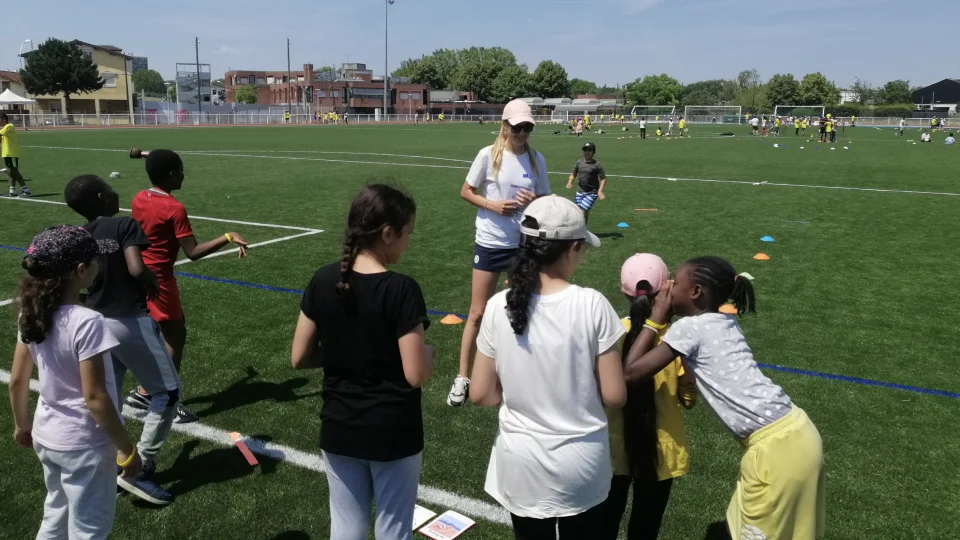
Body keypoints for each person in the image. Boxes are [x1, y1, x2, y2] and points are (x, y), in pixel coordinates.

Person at [623, 256, 825, 540]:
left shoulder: (690, 328)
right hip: (797, 434)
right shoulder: (724, 321)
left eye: (675, 283)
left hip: (776, 450)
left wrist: (655, 320)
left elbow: (630, 373)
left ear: (696, 292)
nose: (668, 288)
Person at [470, 195, 627, 539]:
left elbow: (481, 393)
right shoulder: (592, 304)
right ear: (571, 248)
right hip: (581, 464)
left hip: (520, 463)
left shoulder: (499, 305)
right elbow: (615, 395)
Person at [292, 185, 432, 540]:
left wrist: (344, 351)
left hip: (339, 427)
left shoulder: (324, 279)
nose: (409, 242)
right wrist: (428, 356)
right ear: (387, 233)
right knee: (393, 529)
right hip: (392, 432)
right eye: (408, 233)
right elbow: (415, 374)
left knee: (346, 529)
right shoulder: (401, 289)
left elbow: (300, 357)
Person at [9, 225, 142, 539]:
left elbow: (17, 381)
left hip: (46, 435)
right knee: (89, 528)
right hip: (85, 444)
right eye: (95, 262)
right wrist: (126, 448)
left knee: (55, 514)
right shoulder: (87, 321)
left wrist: (21, 425)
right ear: (82, 270)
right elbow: (95, 397)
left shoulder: (31, 312)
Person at [64, 175, 180, 505]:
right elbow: (135, 268)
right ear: (102, 195)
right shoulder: (124, 224)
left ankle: (112, 465)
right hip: (129, 319)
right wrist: (152, 282)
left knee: (109, 395)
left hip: (95, 321)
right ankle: (141, 469)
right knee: (168, 393)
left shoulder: (80, 235)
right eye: (111, 188)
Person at [128, 150, 249, 423]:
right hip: (160, 280)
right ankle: (166, 398)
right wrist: (228, 236)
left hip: (138, 275)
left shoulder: (139, 198)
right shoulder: (174, 208)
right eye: (181, 170)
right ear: (171, 174)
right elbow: (192, 252)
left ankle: (147, 390)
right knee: (175, 336)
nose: (184, 174)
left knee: (157, 334)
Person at [448, 99, 551, 408]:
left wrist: (534, 199)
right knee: (477, 312)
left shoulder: (536, 160)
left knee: (522, 307)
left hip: (522, 244)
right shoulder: (487, 155)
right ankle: (463, 376)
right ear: (504, 125)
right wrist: (492, 205)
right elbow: (466, 191)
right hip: (491, 242)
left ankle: (518, 373)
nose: (522, 132)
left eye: (527, 127)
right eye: (517, 127)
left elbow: (545, 199)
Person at [602, 254, 695, 540]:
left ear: (624, 292)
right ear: (665, 290)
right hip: (661, 450)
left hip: (612, 446)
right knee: (645, 528)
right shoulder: (676, 340)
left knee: (603, 523)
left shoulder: (612, 334)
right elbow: (689, 399)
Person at [566, 142, 607, 223]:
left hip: (592, 192)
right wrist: (570, 182)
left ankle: (583, 230)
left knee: (584, 211)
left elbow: (603, 178)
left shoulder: (597, 165)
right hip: (580, 191)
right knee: (577, 211)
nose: (587, 152)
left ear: (593, 152)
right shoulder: (579, 162)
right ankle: (580, 229)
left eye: (589, 150)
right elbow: (574, 173)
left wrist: (600, 191)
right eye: (585, 150)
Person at [0, 113, 31, 197]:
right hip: (7, 153)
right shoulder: (5, 129)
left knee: (14, 172)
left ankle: (26, 190)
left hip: (12, 153)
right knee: (11, 173)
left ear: (3, 119)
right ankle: (12, 191)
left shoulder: (9, 126)